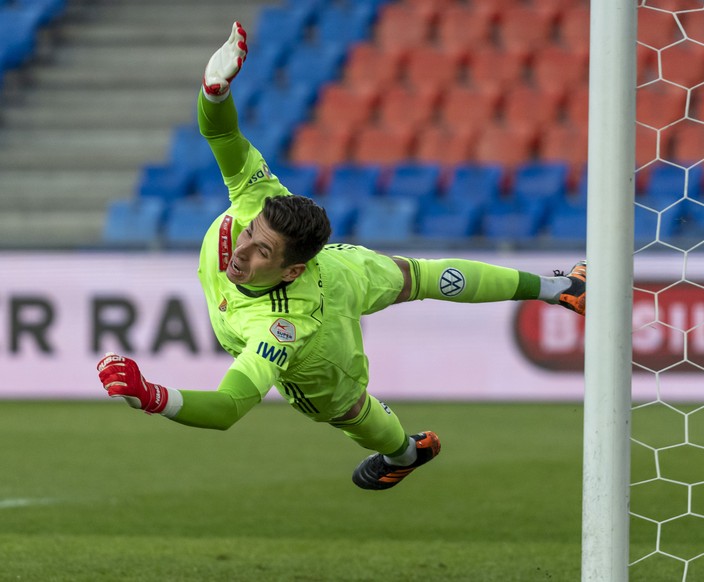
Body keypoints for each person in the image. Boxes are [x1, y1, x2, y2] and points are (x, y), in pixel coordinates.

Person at [96, 22, 587, 491]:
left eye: (260, 250)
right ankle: (562, 287)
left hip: (323, 338)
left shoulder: (281, 331)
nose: (242, 249)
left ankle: (405, 455)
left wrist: (152, 396)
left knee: (350, 409)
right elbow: (222, 135)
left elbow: (227, 409)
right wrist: (214, 93)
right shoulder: (257, 198)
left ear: (291, 268)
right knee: (424, 276)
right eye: (250, 234)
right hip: (342, 267)